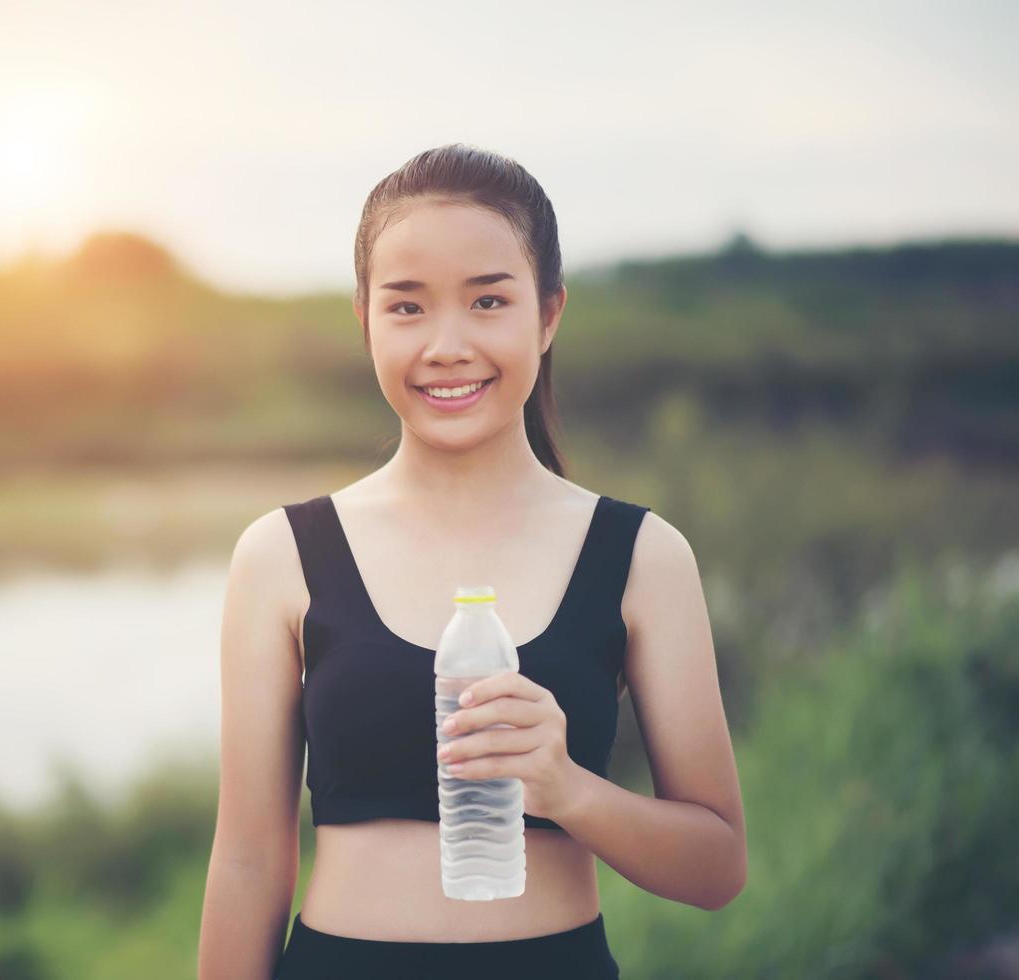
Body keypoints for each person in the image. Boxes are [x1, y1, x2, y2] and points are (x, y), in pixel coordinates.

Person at [197, 143, 746, 979]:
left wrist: (566, 790)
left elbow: (715, 869)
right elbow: (245, 863)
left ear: (549, 314)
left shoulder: (642, 556)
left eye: (488, 300)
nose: (447, 345)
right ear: (365, 319)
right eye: (407, 308)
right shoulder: (282, 555)